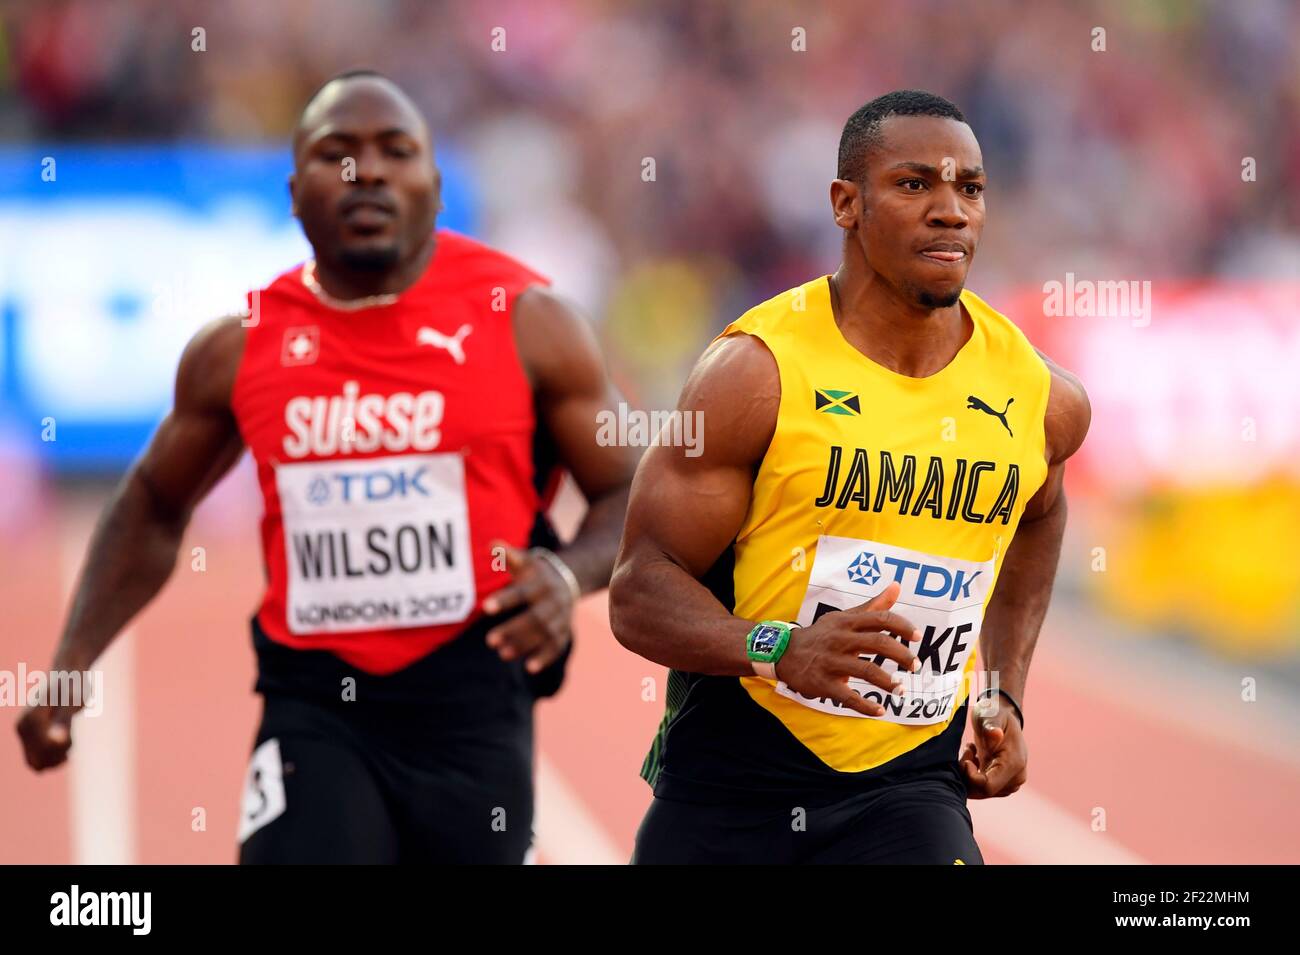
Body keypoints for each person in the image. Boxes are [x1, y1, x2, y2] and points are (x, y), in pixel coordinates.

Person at [17, 70, 636, 864]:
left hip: (476, 708)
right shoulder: (240, 347)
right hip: (315, 708)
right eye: (334, 153)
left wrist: (566, 573)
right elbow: (151, 505)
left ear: (436, 186)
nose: (365, 171)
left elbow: (631, 486)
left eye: (395, 150)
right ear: (294, 189)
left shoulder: (529, 323)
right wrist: (71, 667)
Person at [610, 90, 1091, 864]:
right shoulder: (757, 374)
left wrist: (1001, 688)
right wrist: (782, 647)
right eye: (914, 185)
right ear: (845, 203)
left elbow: (1040, 514)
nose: (950, 211)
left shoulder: (1041, 398)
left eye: (969, 188)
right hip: (734, 783)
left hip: (908, 788)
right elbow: (638, 591)